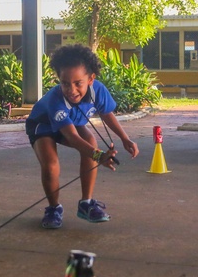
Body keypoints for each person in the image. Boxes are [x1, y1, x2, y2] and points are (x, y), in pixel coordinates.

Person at [26, 44, 139, 229]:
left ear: (91, 79)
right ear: (59, 80)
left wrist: (125, 138)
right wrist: (98, 156)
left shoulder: (98, 91)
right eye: (65, 83)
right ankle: (54, 208)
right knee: (51, 165)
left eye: (78, 83)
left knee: (91, 141)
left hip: (73, 121)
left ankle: (86, 203)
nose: (71, 89)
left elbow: (106, 113)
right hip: (43, 125)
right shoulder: (56, 100)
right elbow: (71, 137)